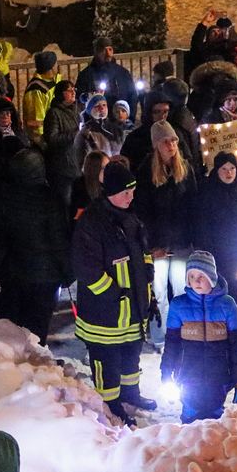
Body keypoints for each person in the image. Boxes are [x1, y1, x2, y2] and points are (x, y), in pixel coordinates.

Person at [72, 165, 154, 423]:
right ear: (111, 192)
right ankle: (110, 405)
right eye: (125, 192)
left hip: (132, 309)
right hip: (105, 314)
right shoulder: (91, 222)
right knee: (107, 362)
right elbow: (86, 267)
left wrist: (147, 278)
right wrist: (114, 294)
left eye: (133, 191)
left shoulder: (130, 217)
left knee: (131, 355)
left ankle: (131, 394)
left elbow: (144, 251)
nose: (131, 197)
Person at [0, 149, 71, 343]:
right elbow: (59, 241)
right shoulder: (50, 199)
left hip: (15, 273)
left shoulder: (5, 198)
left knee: (14, 328)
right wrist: (67, 273)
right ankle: (36, 367)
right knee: (37, 328)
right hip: (45, 276)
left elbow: (1, 237)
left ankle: (15, 367)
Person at [160, 251, 237, 423]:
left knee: (215, 420)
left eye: (202, 275)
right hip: (187, 376)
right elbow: (172, 344)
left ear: (212, 278)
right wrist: (166, 373)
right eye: (191, 276)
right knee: (190, 417)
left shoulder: (227, 305)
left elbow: (236, 345)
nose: (196, 281)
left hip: (219, 376)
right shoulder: (179, 305)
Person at [135, 119, 197, 345]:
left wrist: (192, 239)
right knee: (159, 292)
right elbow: (142, 212)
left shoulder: (186, 169)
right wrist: (151, 244)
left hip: (181, 243)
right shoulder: (145, 172)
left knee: (182, 291)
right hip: (158, 245)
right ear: (156, 145)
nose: (170, 145)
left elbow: (193, 206)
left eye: (173, 140)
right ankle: (161, 337)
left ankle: (182, 334)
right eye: (165, 141)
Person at [190, 152, 237, 331]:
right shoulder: (207, 189)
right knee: (217, 292)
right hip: (216, 253)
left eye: (232, 168)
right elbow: (202, 222)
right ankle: (218, 329)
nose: (229, 173)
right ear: (217, 170)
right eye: (224, 169)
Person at [75, 37, 136, 111]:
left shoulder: (123, 73)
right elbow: (80, 99)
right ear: (97, 53)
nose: (108, 54)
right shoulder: (86, 75)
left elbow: (133, 96)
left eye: (110, 49)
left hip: (120, 118)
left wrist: (130, 117)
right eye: (104, 50)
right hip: (97, 118)